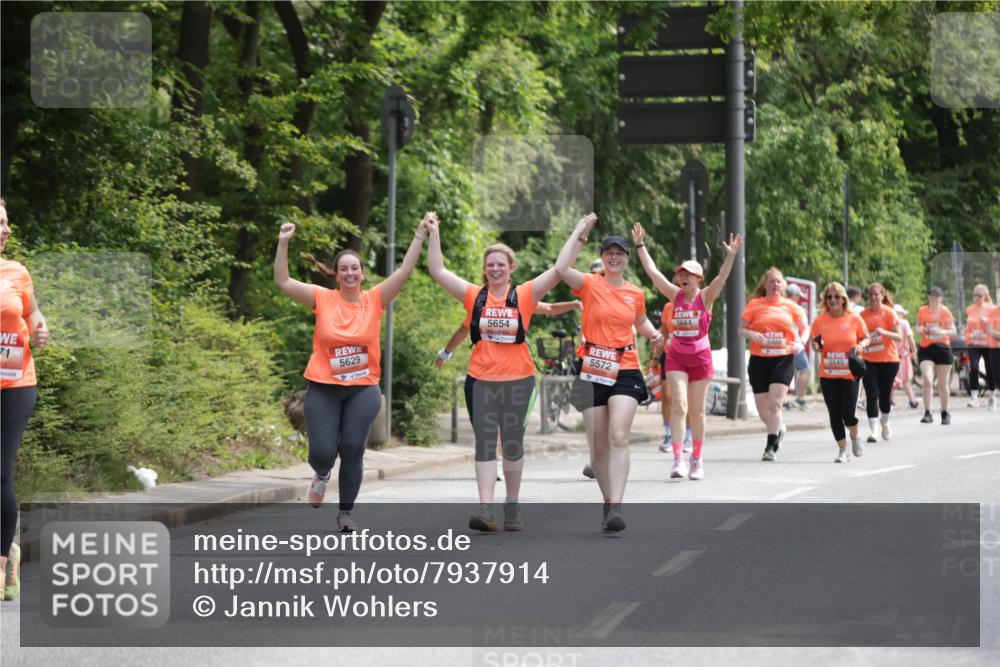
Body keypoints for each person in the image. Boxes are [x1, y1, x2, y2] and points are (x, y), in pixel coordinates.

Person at [274, 214, 429, 532]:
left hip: (362, 388)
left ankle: (346, 513)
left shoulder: (375, 300)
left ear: (362, 273)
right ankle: (321, 475)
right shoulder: (322, 298)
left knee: (352, 448)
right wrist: (283, 242)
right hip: (323, 386)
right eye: (343, 268)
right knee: (323, 452)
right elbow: (284, 282)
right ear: (336, 274)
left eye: (354, 268)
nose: (349, 273)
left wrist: (419, 234)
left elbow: (403, 271)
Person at [426, 215, 560, 533]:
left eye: (501, 264)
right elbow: (438, 271)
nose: (495, 269)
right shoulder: (475, 295)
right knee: (485, 443)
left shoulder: (525, 294)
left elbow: (557, 271)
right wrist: (434, 233)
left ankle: (511, 506)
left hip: (519, 379)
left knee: (512, 443)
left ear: (511, 268)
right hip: (480, 380)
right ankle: (485, 509)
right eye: (490, 265)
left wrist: (580, 233)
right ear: (485, 269)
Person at [556, 213, 662, 532]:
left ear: (626, 259)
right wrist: (580, 231)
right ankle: (607, 503)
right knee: (598, 446)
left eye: (620, 253)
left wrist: (653, 334)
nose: (614, 257)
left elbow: (639, 321)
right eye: (609, 252)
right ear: (602, 257)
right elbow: (561, 268)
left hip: (626, 366)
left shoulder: (635, 293)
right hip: (592, 368)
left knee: (618, 435)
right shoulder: (589, 284)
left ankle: (616, 505)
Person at [632, 224, 742, 481]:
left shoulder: (706, 296)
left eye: (689, 274)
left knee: (697, 411)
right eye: (681, 273)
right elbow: (652, 272)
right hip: (677, 357)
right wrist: (640, 245)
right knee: (679, 405)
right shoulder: (674, 296)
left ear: (698, 278)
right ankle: (679, 459)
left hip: (701, 358)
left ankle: (697, 459)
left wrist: (730, 256)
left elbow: (722, 279)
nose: (683, 277)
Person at [434, 300, 582, 482]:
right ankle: (495, 462)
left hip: (516, 375)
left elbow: (550, 308)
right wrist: (445, 353)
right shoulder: (482, 305)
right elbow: (464, 329)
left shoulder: (519, 299)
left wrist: (574, 304)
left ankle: (504, 461)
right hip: (486, 374)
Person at [1, 196, 50, 601]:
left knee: (1, 471)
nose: (6, 229)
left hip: (15, 383)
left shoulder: (17, 272)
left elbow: (33, 314)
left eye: (6, 222)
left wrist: (41, 329)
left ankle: (1, 561)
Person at [739, 267, 808, 461]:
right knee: (763, 411)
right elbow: (741, 330)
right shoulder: (754, 304)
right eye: (772, 281)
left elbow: (805, 328)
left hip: (783, 358)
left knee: (775, 405)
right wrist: (752, 334)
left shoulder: (790, 306)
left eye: (778, 281)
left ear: (783, 285)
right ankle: (780, 429)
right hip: (759, 360)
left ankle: (770, 447)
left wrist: (800, 343)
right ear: (765, 284)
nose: (775, 284)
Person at [808, 282, 870, 463]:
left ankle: (855, 436)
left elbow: (866, 337)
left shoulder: (854, 318)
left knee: (848, 414)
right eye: (829, 297)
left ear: (843, 299)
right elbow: (816, 343)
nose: (833, 300)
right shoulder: (820, 321)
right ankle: (843, 450)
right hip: (828, 374)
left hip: (849, 374)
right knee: (834, 414)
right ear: (825, 300)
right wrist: (815, 346)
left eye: (836, 296)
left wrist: (860, 346)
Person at [859, 283, 903, 442]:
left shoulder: (890, 313)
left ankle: (885, 422)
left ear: (882, 295)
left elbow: (900, 337)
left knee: (884, 395)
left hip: (889, 360)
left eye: (876, 294)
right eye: (870, 294)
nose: (873, 297)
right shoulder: (862, 315)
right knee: (872, 394)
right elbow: (858, 336)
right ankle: (874, 430)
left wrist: (884, 332)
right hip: (869, 359)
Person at [916, 286, 957, 424]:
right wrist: (921, 329)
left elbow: (953, 331)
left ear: (941, 298)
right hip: (926, 348)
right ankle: (928, 412)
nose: (934, 298)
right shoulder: (922, 310)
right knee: (927, 379)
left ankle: (945, 412)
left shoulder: (945, 312)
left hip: (942, 348)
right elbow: (917, 325)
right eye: (932, 295)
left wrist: (941, 332)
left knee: (942, 383)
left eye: (937, 296)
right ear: (928, 297)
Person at [965, 284, 996, 407]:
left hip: (988, 343)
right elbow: (968, 326)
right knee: (974, 367)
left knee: (990, 370)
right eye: (974, 295)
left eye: (979, 295)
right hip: (973, 343)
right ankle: (974, 397)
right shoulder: (970, 309)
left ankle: (992, 395)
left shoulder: (992, 309)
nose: (976, 298)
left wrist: (987, 321)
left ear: (985, 296)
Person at [783, 283, 811, 411]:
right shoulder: (794, 308)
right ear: (793, 295)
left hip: (781, 344)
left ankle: (783, 399)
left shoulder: (779, 305)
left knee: (784, 372)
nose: (798, 299)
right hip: (794, 343)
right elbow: (803, 327)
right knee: (805, 370)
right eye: (797, 296)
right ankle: (800, 398)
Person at [893, 303, 920, 409]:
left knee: (896, 379)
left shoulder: (890, 323)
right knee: (904, 379)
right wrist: (914, 350)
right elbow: (910, 338)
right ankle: (911, 400)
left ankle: (911, 400)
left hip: (892, 355)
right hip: (903, 355)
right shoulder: (904, 323)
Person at [987, 295, 1000, 411]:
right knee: (996, 373)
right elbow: (989, 329)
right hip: (994, 346)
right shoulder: (993, 312)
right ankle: (994, 397)